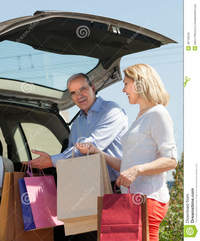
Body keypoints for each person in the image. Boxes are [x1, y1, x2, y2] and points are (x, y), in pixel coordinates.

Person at [76, 64, 177, 241]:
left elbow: (170, 160)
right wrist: (99, 153)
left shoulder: (158, 114)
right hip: (132, 200)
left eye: (126, 84)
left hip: (149, 200)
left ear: (139, 84)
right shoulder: (141, 116)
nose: (123, 90)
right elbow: (127, 165)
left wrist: (136, 170)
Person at [29, 73, 128, 241]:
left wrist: (52, 161)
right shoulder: (78, 123)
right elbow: (72, 156)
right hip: (86, 193)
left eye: (83, 89)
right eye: (73, 92)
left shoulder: (112, 111)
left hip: (114, 192)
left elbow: (91, 146)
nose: (79, 95)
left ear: (93, 88)